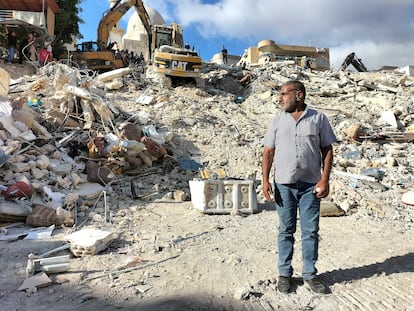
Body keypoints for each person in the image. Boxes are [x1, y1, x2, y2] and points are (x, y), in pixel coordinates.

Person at [261, 80, 336, 294]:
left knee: (310, 231)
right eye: (280, 94)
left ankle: (310, 275)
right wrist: (265, 180)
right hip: (284, 184)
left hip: (310, 186)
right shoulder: (276, 121)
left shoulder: (318, 119)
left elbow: (327, 150)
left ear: (299, 95)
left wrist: (324, 179)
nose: (279, 98)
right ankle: (284, 274)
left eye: (284, 93)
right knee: (286, 230)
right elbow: (268, 152)